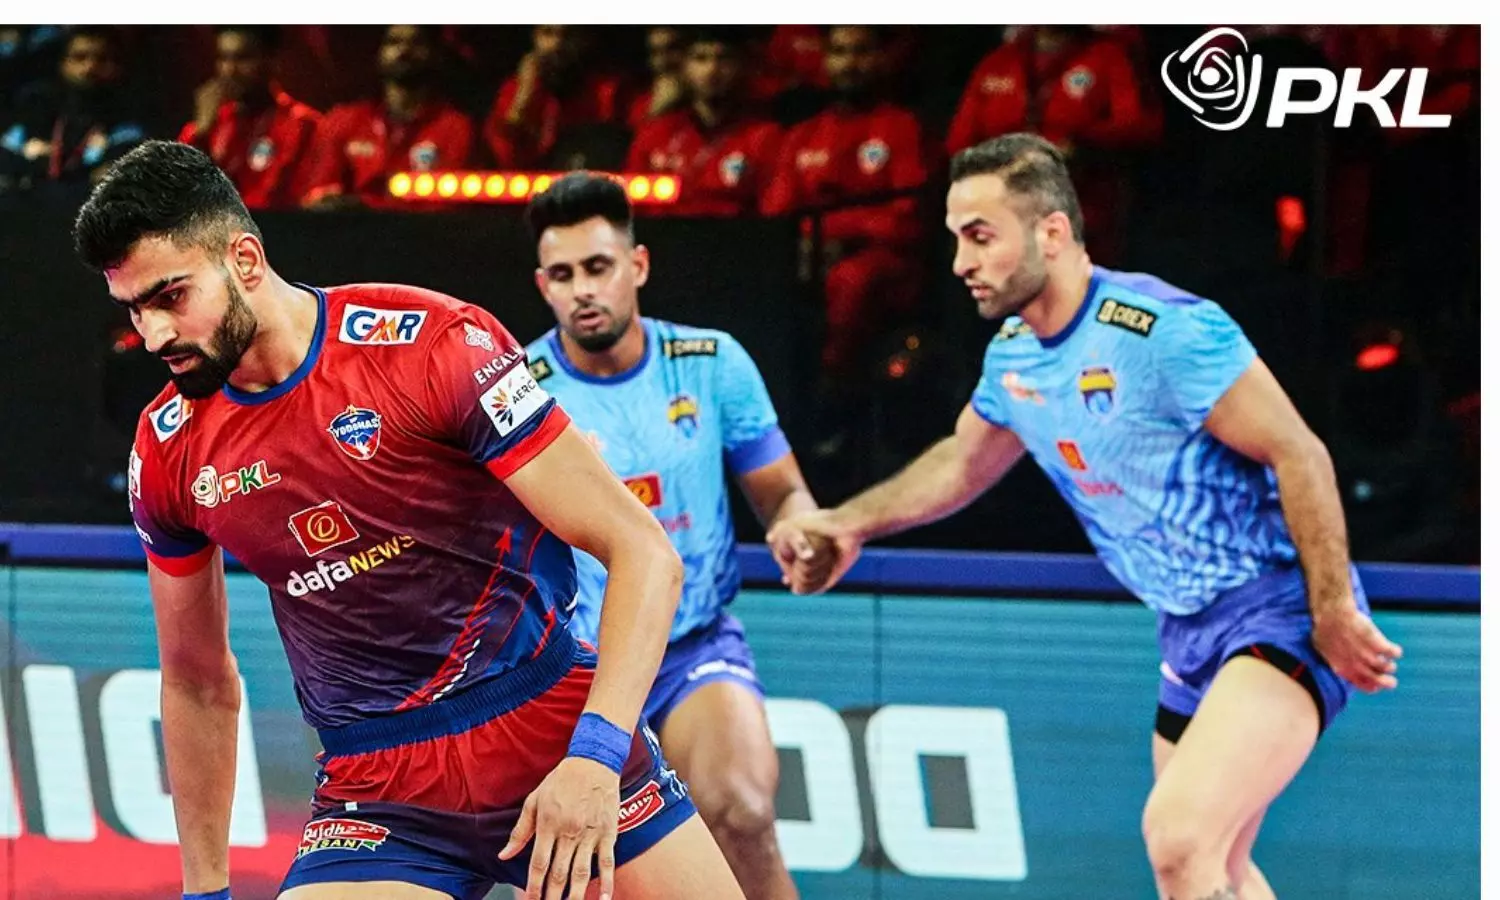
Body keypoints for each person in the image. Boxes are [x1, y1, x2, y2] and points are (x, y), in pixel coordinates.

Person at [73, 140, 744, 900]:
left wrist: (595, 756)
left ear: (246, 260)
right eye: (134, 309)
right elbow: (196, 682)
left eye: (170, 297)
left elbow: (642, 551)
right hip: (378, 790)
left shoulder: (433, 345)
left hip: (549, 729)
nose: (154, 335)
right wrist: (205, 893)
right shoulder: (167, 449)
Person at [769, 133, 1403, 900]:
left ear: (1052, 232)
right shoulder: (1014, 355)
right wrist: (848, 523)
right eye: (956, 239)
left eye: (980, 236)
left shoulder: (1165, 331)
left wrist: (1332, 609)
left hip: (1277, 609)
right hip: (1187, 630)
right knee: (1216, 869)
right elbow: (962, 462)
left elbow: (1299, 453)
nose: (961, 262)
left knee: (1180, 839)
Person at [522, 172, 812, 900]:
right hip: (571, 665)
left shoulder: (714, 364)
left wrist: (798, 527)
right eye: (564, 275)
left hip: (691, 647)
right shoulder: (519, 389)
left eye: (599, 267)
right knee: (560, 877)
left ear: (638, 265)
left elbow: (782, 493)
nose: (584, 290)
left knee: (742, 810)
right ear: (544, 286)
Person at [301, 24, 473, 211]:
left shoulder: (455, 128)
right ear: (379, 52)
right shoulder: (343, 121)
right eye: (393, 42)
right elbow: (318, 195)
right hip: (351, 228)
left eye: (416, 42)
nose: (404, 50)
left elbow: (449, 208)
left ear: (434, 53)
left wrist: (370, 206)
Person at [624, 28, 782, 218]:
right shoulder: (655, 134)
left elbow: (773, 214)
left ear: (741, 66)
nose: (712, 69)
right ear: (684, 67)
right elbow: (630, 208)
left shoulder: (765, 137)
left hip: (736, 234)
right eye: (700, 58)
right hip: (665, 233)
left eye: (723, 59)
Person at [178, 25, 320, 210]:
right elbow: (176, 191)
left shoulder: (302, 125)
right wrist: (201, 134)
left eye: (242, 58)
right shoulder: (210, 123)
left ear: (272, 60)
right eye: (223, 58)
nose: (229, 70)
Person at [0, 26, 148, 191]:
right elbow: (7, 157)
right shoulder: (34, 110)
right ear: (63, 64)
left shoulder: (129, 120)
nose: (90, 67)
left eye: (102, 59)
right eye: (80, 57)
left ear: (118, 66)